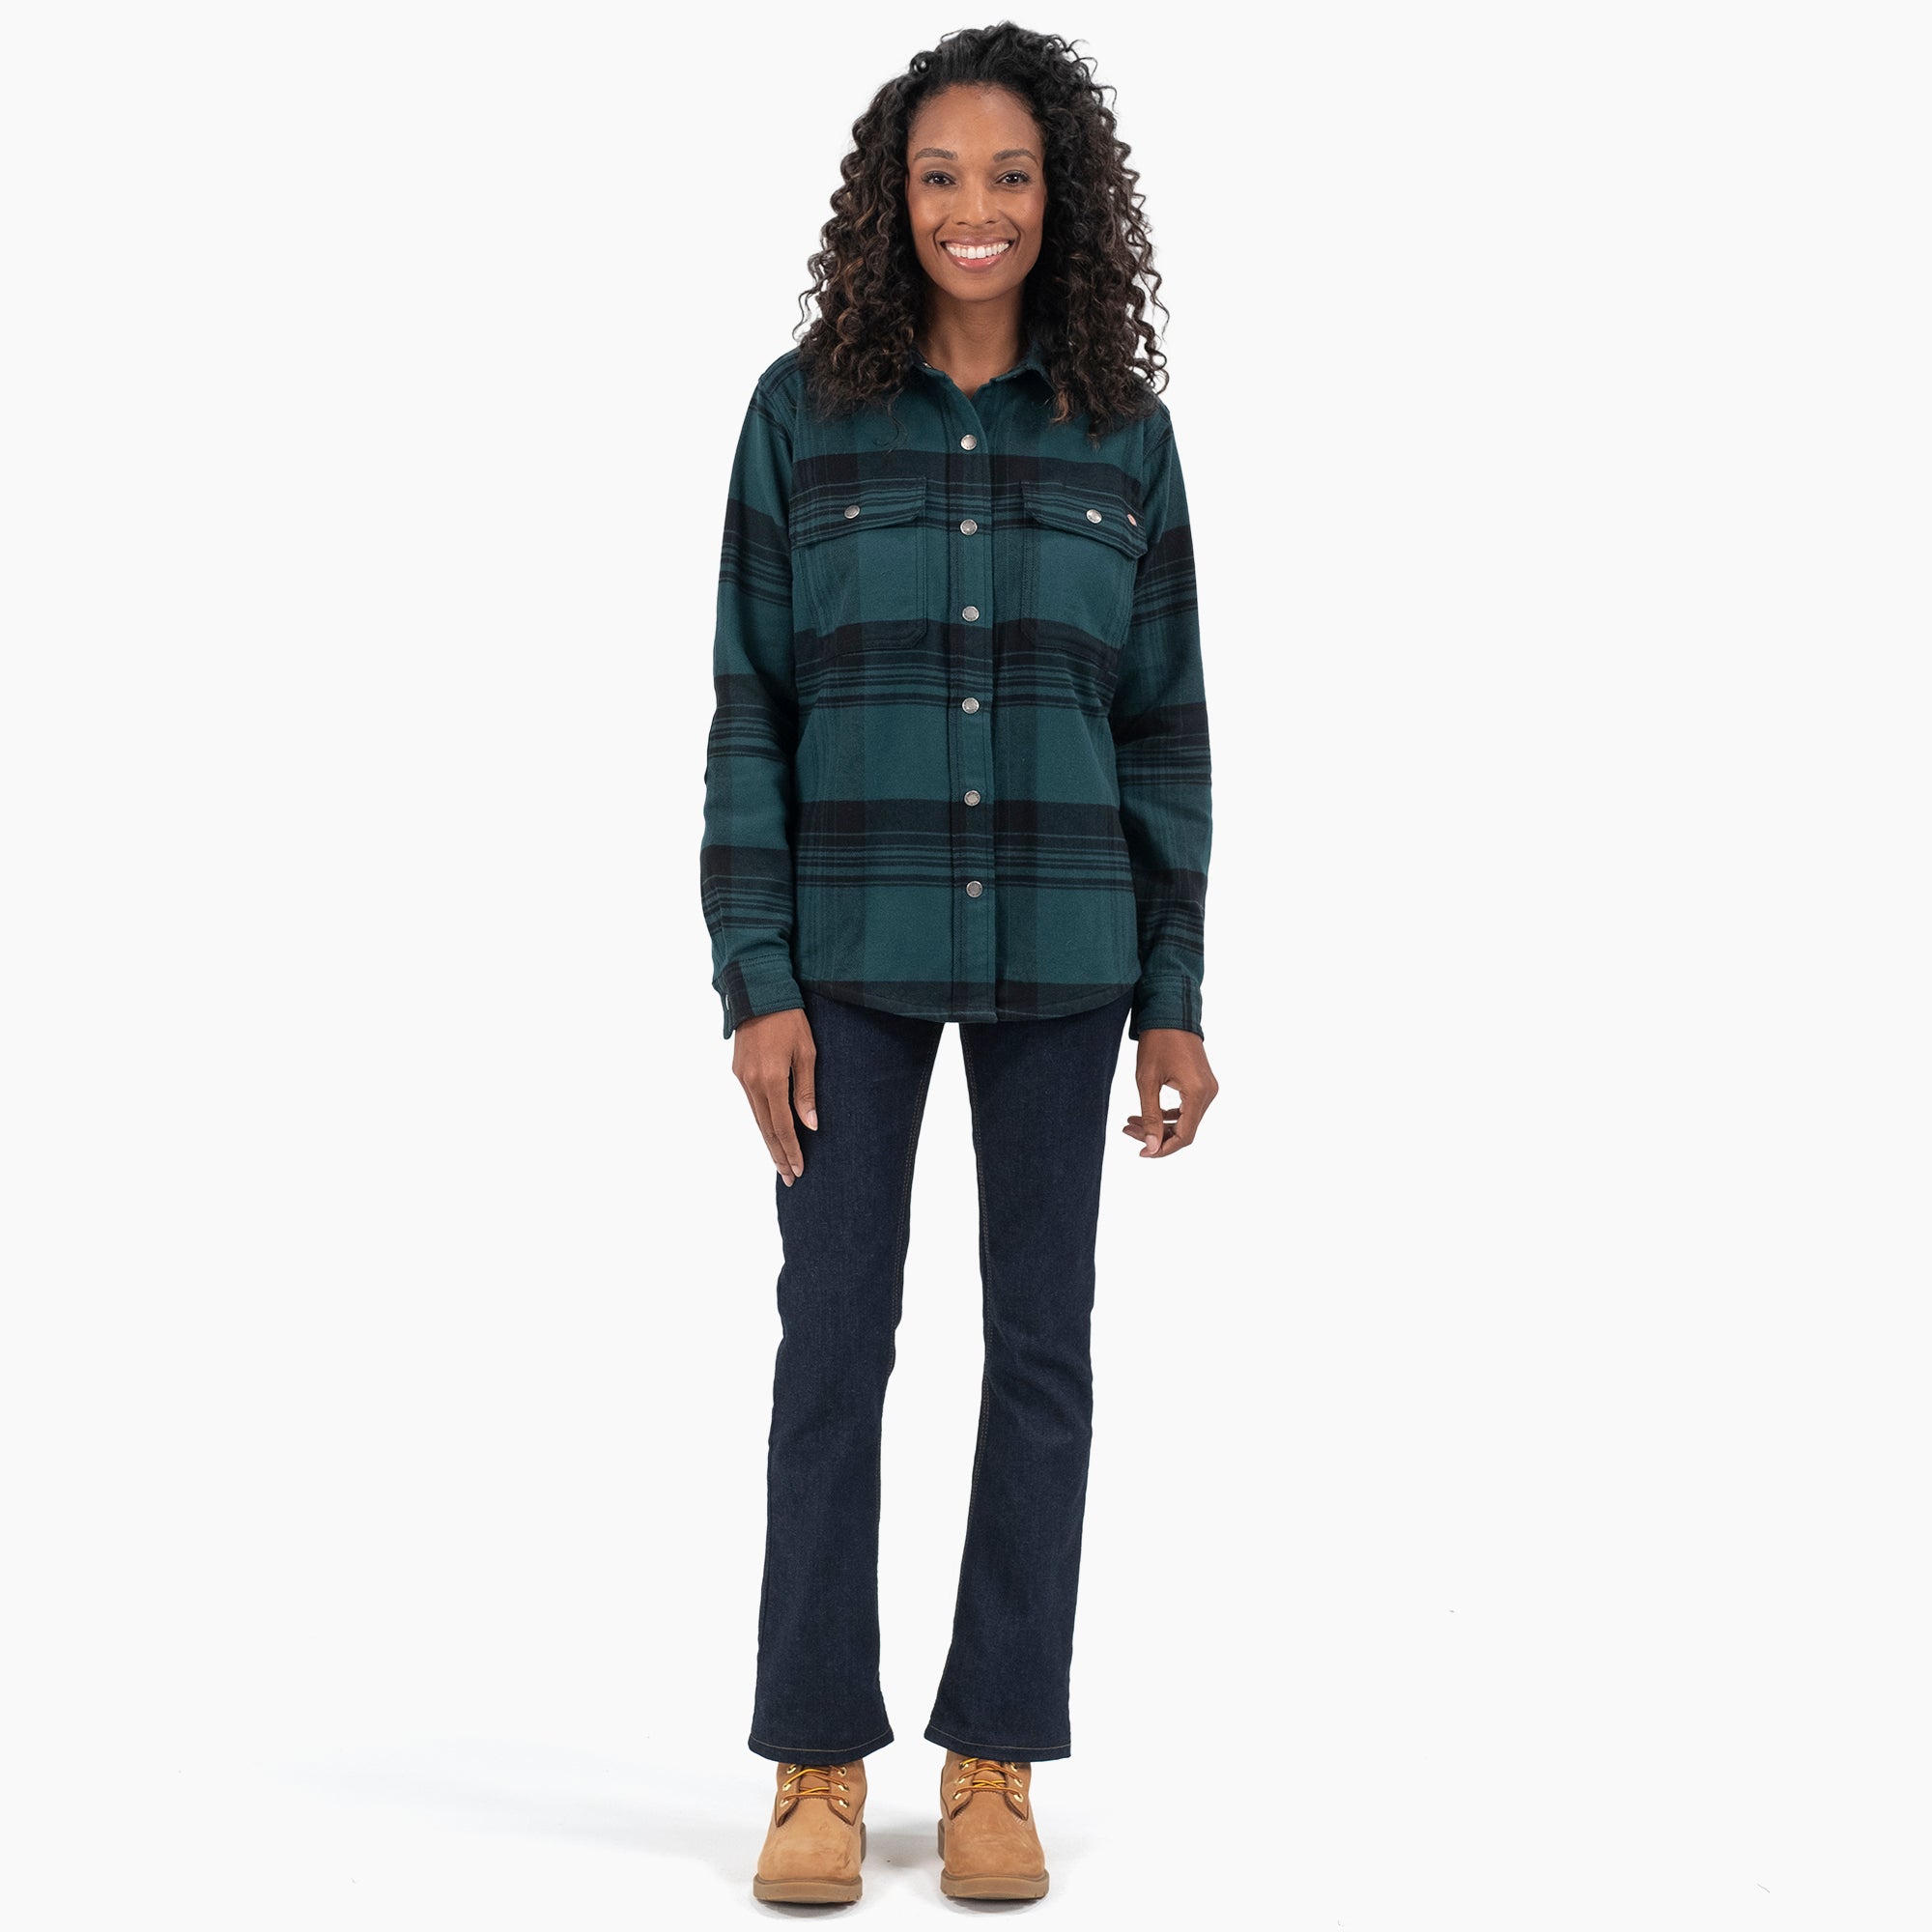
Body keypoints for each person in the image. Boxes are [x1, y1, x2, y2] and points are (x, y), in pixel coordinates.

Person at [698, 23, 1216, 1905]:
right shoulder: (799, 415)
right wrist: (754, 976)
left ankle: (994, 1753)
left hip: (1070, 952)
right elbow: (748, 709)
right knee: (833, 1341)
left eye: (1008, 174)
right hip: (844, 953)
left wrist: (1175, 997)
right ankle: (816, 1762)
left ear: (1059, 196)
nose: (973, 208)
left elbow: (1162, 726)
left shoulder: (1122, 433)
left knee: (1041, 1350)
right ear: (890, 198)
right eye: (939, 175)